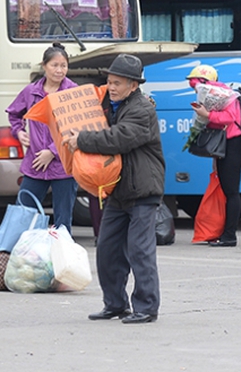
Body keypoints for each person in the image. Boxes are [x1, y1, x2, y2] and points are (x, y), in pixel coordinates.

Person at [66, 54, 165, 324]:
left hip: (143, 191)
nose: (111, 87)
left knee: (139, 251)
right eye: (109, 81)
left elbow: (118, 138)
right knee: (107, 249)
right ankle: (115, 304)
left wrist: (82, 140)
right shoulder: (111, 105)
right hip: (118, 191)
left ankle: (146, 307)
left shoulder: (142, 109)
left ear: (133, 85)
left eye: (117, 83)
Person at [6, 42, 79, 233]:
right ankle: (20, 257)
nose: (59, 70)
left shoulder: (72, 91)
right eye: (54, 65)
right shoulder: (31, 91)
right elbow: (14, 114)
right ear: (44, 66)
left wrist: (53, 152)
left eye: (63, 65)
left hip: (63, 166)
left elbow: (77, 126)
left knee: (63, 222)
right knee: (23, 214)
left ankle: (64, 261)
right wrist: (19, 132)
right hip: (35, 163)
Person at [188, 65, 241, 247]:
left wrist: (207, 115)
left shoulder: (225, 94)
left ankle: (230, 236)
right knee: (227, 188)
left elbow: (230, 118)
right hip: (225, 145)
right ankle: (223, 232)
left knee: (232, 191)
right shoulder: (216, 93)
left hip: (234, 144)